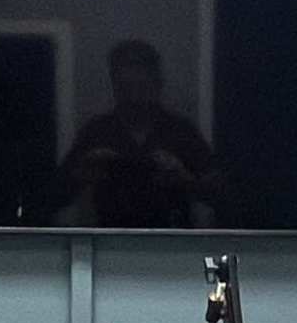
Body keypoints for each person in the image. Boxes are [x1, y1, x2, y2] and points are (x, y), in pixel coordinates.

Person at [60, 39, 219, 228]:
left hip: (171, 244)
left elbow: (221, 196)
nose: (134, 97)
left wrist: (185, 180)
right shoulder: (96, 132)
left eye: (141, 86)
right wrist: (82, 174)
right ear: (114, 85)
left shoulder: (180, 131)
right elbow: (52, 198)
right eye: (126, 87)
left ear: (158, 83)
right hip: (110, 245)